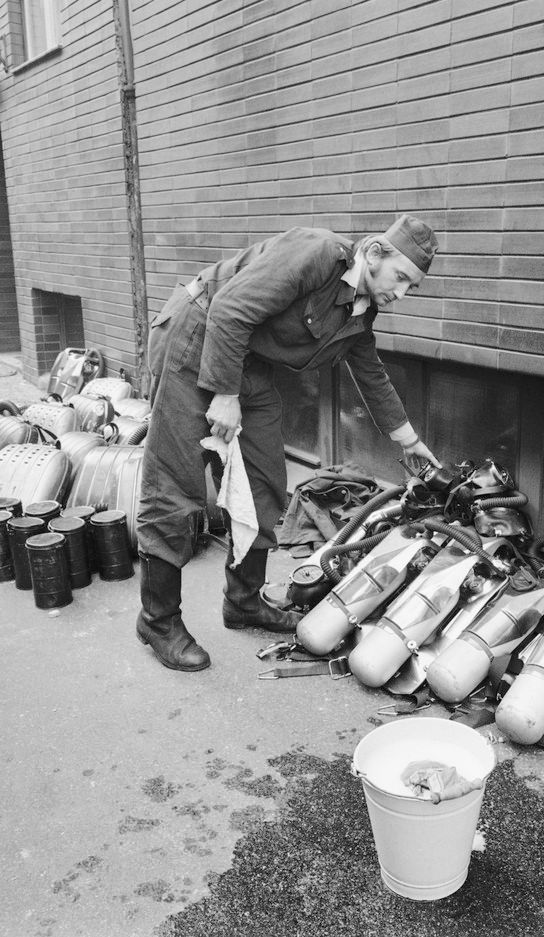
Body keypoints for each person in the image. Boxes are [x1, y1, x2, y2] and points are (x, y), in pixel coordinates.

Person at [136, 215, 441, 672]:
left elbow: (370, 373)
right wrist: (224, 393)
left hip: (247, 362)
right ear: (375, 253)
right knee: (175, 485)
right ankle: (157, 620)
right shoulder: (318, 253)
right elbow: (230, 308)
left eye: (411, 287)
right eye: (401, 277)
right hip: (197, 335)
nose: (401, 293)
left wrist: (409, 440)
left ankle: (242, 602)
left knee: (265, 480)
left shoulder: (359, 309)